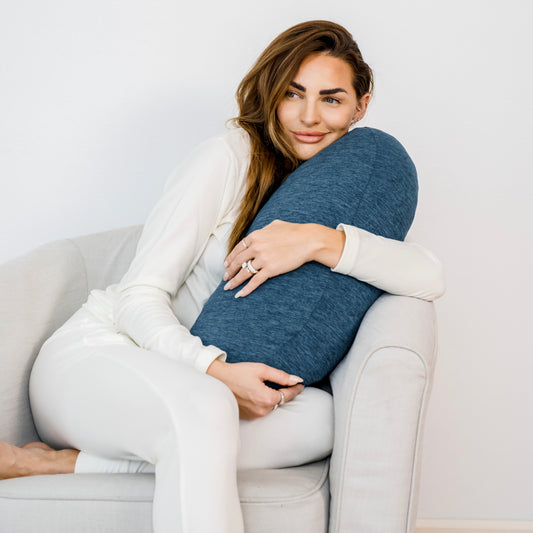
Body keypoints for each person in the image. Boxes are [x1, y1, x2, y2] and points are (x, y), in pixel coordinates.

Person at [0, 20, 445, 533]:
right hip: (103, 358)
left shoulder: (336, 193)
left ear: (360, 106)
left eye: (331, 99)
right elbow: (139, 296)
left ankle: (59, 463)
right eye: (292, 93)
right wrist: (214, 370)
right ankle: (101, 444)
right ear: (270, 93)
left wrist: (321, 241)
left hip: (188, 389)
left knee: (324, 421)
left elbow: (428, 276)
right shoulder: (227, 157)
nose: (308, 117)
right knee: (206, 411)